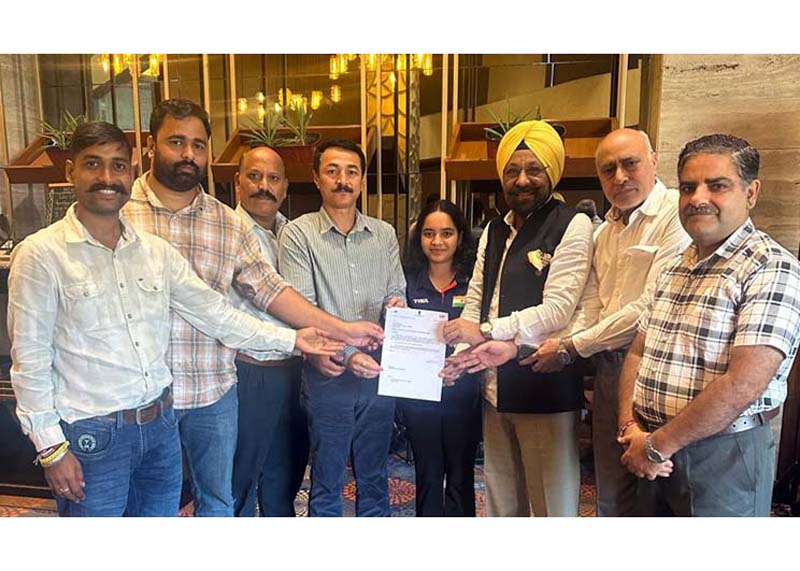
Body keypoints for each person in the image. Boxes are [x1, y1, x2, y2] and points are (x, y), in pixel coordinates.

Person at [7, 122, 340, 517]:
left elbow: (216, 314)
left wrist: (294, 339)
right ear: (70, 172)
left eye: (118, 166)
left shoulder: (154, 252)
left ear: (131, 171)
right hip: (93, 435)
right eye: (93, 164)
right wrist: (51, 448)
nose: (107, 177)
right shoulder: (40, 254)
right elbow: (30, 360)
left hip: (158, 427)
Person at [122, 100, 382, 517]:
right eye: (176, 142)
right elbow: (227, 314)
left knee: (249, 488)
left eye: (198, 145)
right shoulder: (120, 213)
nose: (188, 154)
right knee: (157, 503)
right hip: (160, 390)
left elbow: (272, 291)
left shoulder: (236, 226)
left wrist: (341, 331)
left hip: (221, 384)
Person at [502, 128, 691, 516]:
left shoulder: (676, 215)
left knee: (664, 493)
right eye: (608, 169)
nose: (619, 177)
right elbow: (592, 305)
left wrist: (571, 346)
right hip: (609, 367)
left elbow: (650, 308)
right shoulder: (604, 231)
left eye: (630, 163)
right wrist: (566, 347)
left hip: (659, 366)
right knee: (611, 486)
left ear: (654, 161)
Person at [617, 134, 800, 516]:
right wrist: (629, 427)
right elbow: (637, 351)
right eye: (688, 187)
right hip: (649, 444)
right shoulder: (674, 266)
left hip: (721, 456)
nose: (698, 198)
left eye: (717, 186)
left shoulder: (771, 267)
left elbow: (743, 384)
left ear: (751, 193)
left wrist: (658, 446)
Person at [441, 120, 594, 517]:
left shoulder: (572, 224)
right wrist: (461, 354)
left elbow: (558, 309)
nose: (522, 180)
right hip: (495, 389)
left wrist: (487, 331)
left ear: (552, 172)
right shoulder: (495, 228)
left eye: (533, 169)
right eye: (512, 171)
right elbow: (477, 298)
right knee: (502, 502)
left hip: (544, 386)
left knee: (550, 506)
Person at [279, 139, 407, 517]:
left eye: (352, 172)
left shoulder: (383, 234)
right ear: (316, 178)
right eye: (332, 171)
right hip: (329, 373)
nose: (342, 180)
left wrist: (395, 305)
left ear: (362, 181)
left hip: (379, 372)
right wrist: (349, 353)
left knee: (375, 474)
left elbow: (396, 288)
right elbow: (302, 309)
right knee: (328, 476)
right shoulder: (298, 234)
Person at [229, 146, 309, 517]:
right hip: (250, 371)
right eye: (254, 176)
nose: (264, 186)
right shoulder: (227, 232)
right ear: (238, 182)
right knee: (240, 478)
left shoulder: (293, 234)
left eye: (273, 178)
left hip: (294, 369)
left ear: (285, 187)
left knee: (287, 473)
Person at [399, 199, 480, 517]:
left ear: (460, 236)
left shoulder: (475, 283)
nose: (437, 241)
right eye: (428, 233)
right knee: (428, 474)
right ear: (419, 237)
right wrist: (394, 314)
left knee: (461, 474)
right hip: (420, 396)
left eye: (446, 233)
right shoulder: (406, 283)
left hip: (464, 394)